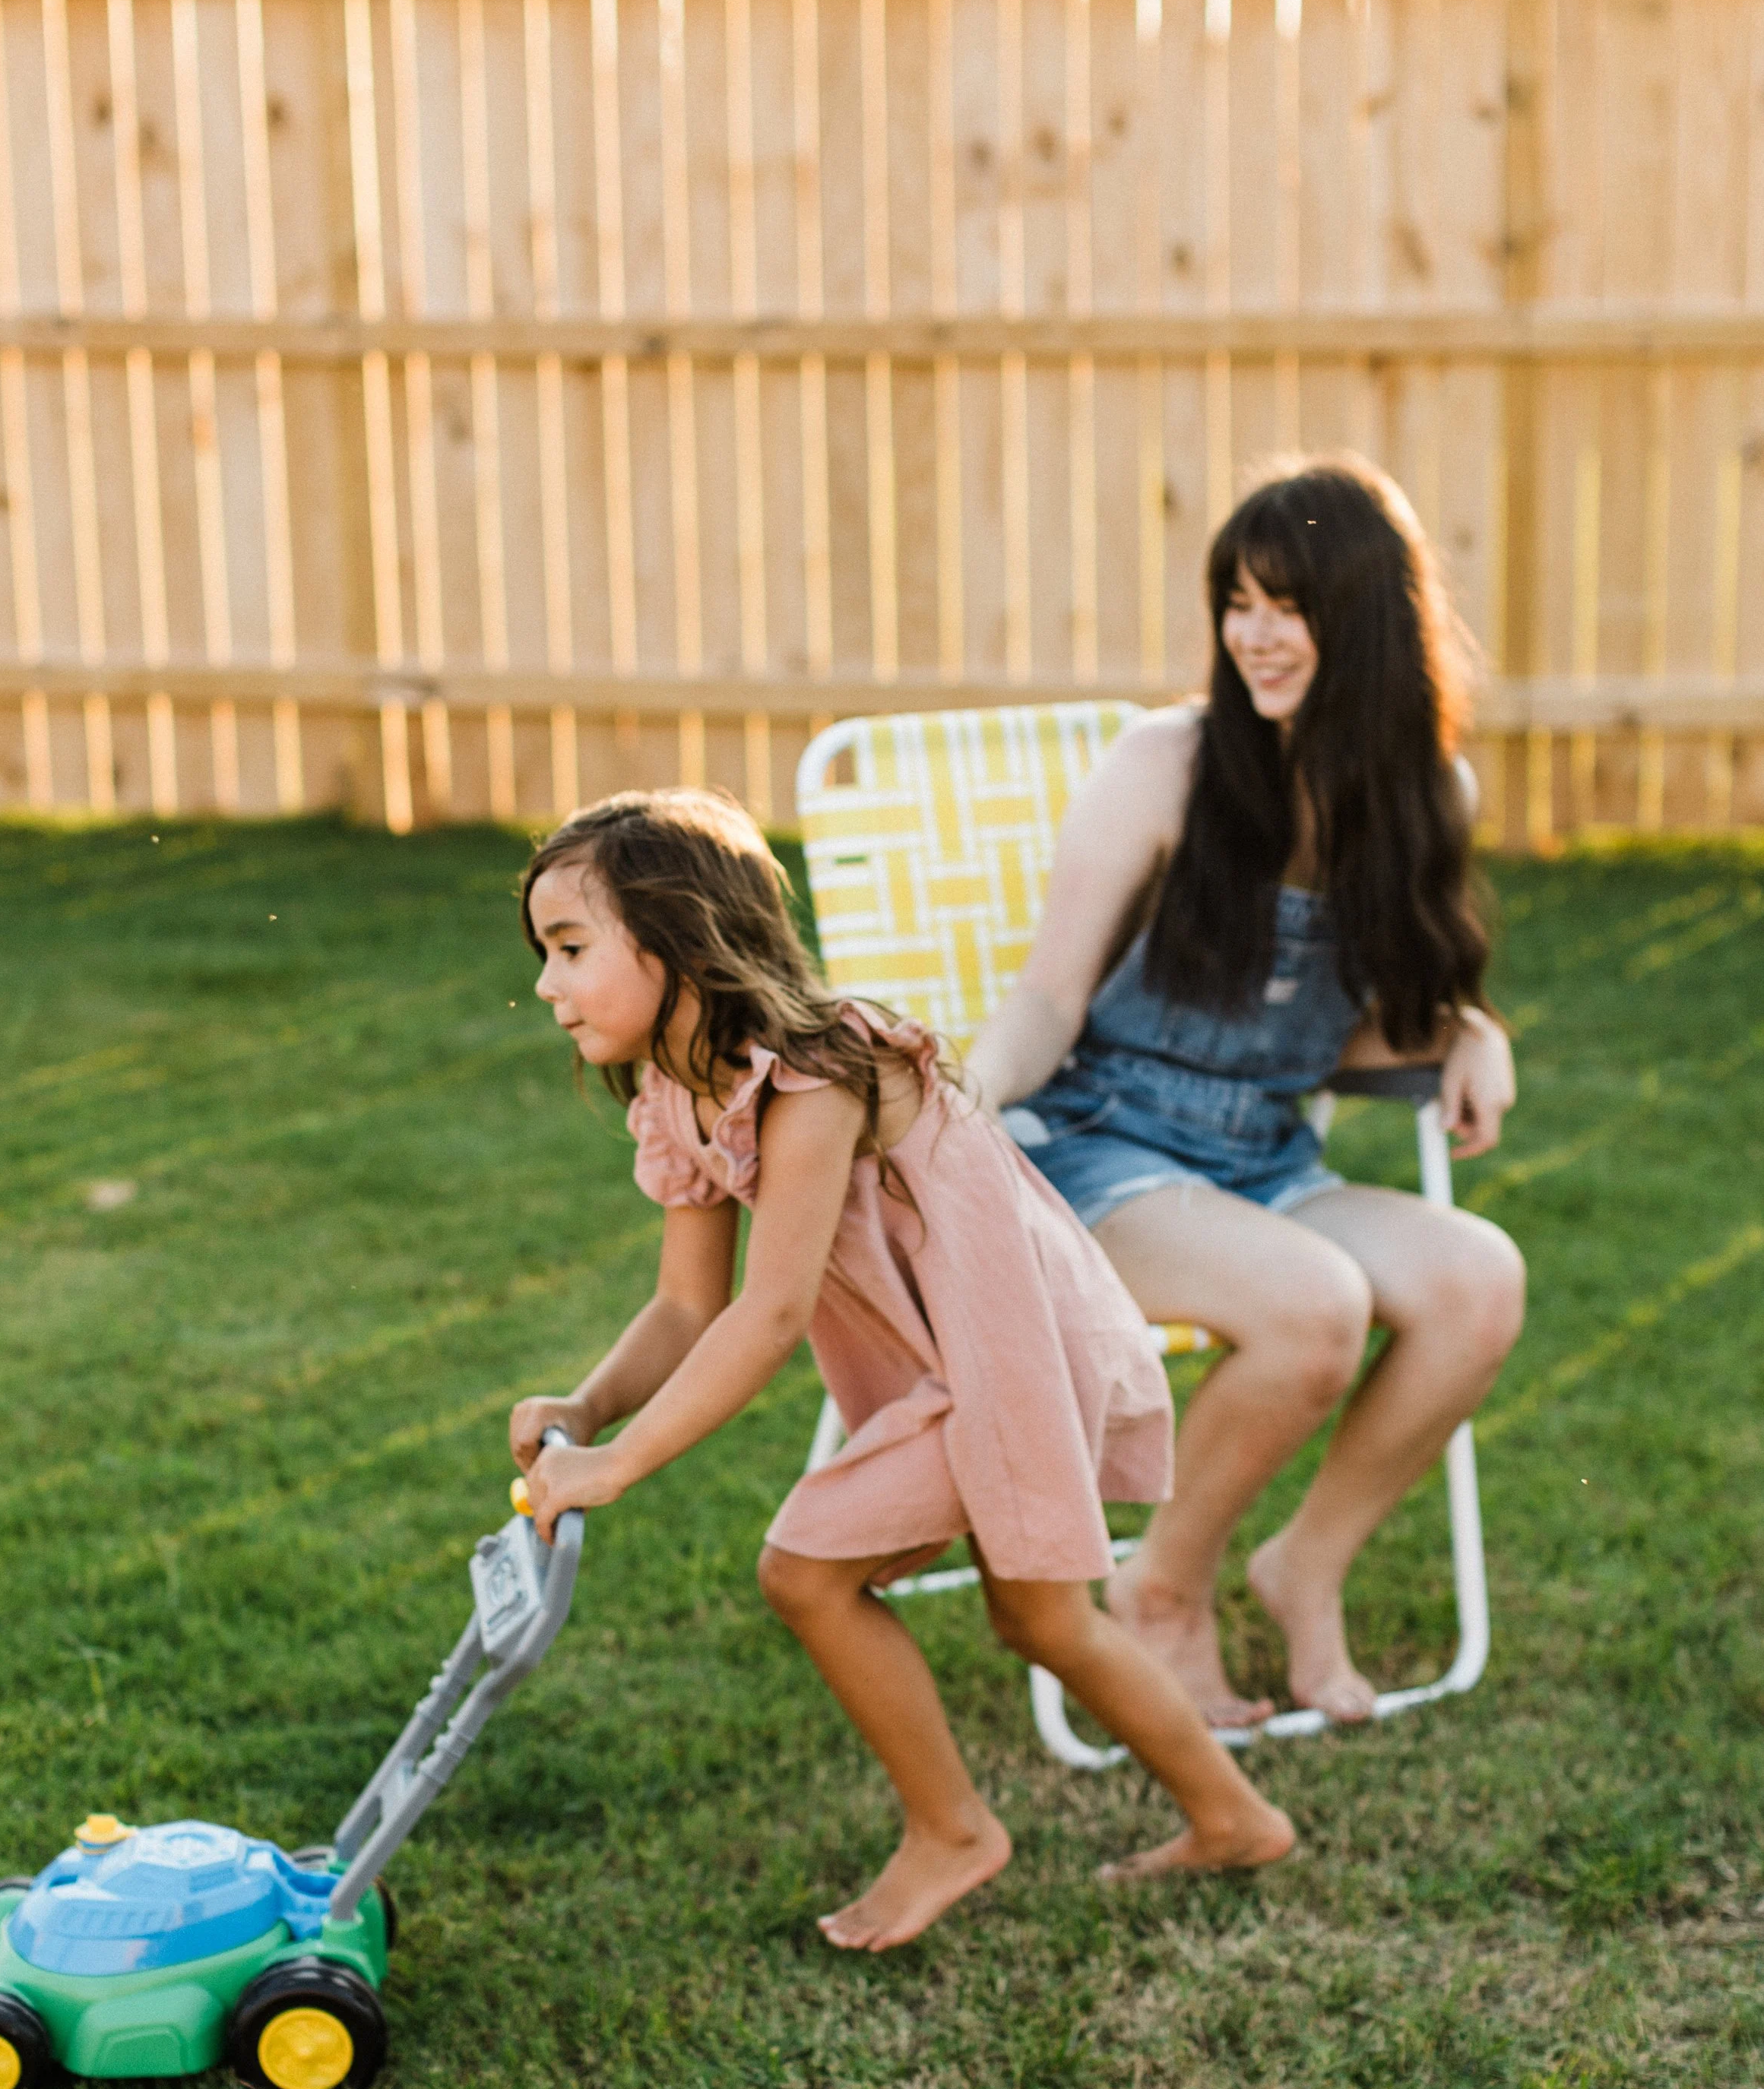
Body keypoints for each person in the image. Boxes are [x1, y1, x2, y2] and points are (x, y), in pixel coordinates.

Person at [508, 789, 1295, 1953]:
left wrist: (619, 1463)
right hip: (946, 1367)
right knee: (1045, 1622)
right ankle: (1237, 1819)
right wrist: (589, 1405)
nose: (546, 984)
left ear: (680, 936)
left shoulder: (820, 1070)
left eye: (571, 948)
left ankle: (954, 1828)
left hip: (1009, 1358)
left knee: (811, 1573)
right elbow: (686, 1305)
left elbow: (772, 1313)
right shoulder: (678, 1097)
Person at [965, 454, 1526, 1731]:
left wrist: (1469, 1028)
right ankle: (1161, 1587)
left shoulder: (1427, 792)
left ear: (1368, 618)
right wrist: (969, 1097)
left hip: (1264, 1157)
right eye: (1238, 602)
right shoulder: (1167, 762)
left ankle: (1305, 1565)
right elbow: (1050, 997)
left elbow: (1336, 1017)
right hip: (1103, 1142)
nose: (1254, 636)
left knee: (1480, 1279)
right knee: (1317, 1303)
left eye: (1290, 606)